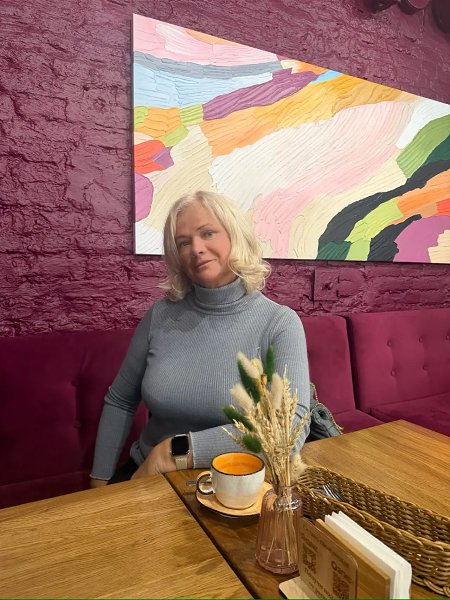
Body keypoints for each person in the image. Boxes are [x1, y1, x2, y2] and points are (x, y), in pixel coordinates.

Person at [90, 191, 310, 487]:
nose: (196, 249)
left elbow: (290, 428)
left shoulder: (279, 323)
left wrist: (174, 452)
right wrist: (99, 482)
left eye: (208, 233)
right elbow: (120, 400)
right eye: (183, 242)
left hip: (233, 486)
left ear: (235, 236)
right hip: (147, 476)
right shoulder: (160, 315)